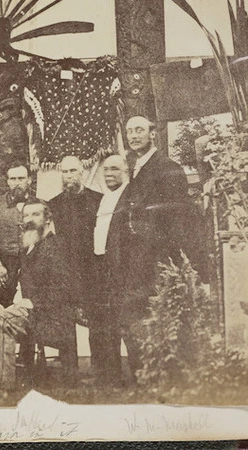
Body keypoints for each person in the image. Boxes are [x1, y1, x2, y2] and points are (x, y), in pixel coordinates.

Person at [0, 201, 80, 402]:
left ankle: (3, 390)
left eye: (36, 215)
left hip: (49, 317)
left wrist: (33, 303)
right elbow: (13, 284)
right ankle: (5, 370)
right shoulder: (27, 248)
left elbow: (67, 289)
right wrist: (1, 302)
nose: (30, 220)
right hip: (25, 314)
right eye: (26, 216)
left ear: (47, 219)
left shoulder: (56, 246)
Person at [119, 115, 197, 380]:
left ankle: (165, 374)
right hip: (136, 255)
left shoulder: (167, 166)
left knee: (160, 312)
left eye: (139, 129)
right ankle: (143, 373)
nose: (134, 135)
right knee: (135, 313)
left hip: (158, 256)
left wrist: (166, 254)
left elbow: (178, 215)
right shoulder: (130, 167)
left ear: (153, 133)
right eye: (129, 131)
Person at [48, 155, 102, 384]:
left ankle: (99, 372)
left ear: (83, 171)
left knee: (96, 321)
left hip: (92, 270)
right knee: (65, 321)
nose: (69, 176)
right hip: (65, 271)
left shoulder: (98, 200)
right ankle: (70, 374)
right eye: (65, 172)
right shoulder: (54, 204)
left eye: (73, 171)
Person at [88, 154, 129, 387]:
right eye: (105, 170)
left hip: (118, 268)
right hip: (99, 267)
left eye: (114, 169)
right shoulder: (103, 199)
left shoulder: (129, 197)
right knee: (98, 322)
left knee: (116, 322)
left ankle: (115, 376)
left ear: (125, 171)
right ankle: (100, 374)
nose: (109, 174)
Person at [0, 161, 37, 307]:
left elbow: (48, 237)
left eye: (21, 178)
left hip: (33, 263)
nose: (17, 183)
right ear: (7, 181)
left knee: (31, 304)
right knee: (2, 305)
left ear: (29, 180)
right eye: (13, 179)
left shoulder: (39, 204)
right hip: (6, 265)